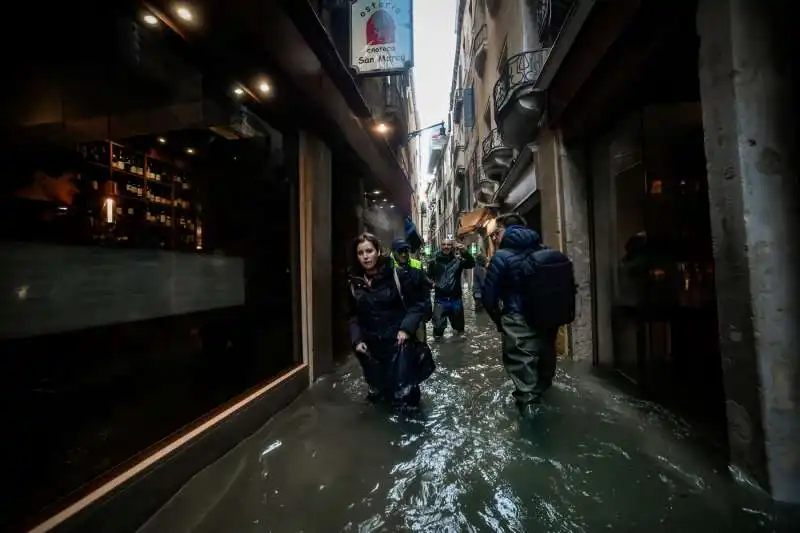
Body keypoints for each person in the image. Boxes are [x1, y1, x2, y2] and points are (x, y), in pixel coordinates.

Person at [482, 213, 560, 417]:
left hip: (517, 320)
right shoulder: (546, 250)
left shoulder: (501, 257)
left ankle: (535, 437)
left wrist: (501, 321)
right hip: (547, 320)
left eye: (495, 234)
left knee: (526, 389)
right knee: (544, 377)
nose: (494, 239)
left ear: (503, 231)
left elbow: (488, 299)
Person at [347, 232, 432, 408]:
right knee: (378, 398)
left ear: (378, 251)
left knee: (405, 398)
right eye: (360, 253)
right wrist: (357, 339)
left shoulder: (397, 275)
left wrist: (406, 329)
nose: (365, 256)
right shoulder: (353, 282)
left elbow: (418, 305)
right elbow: (352, 315)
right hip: (372, 350)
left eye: (369, 251)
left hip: (398, 345)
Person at [427, 237, 475, 339]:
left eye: (448, 245)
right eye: (444, 245)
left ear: (452, 247)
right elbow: (428, 277)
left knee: (459, 329)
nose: (446, 247)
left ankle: (459, 350)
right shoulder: (433, 262)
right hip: (440, 300)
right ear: (441, 246)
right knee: (438, 330)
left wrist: (464, 252)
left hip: (456, 299)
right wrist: (431, 283)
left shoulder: (458, 260)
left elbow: (471, 264)